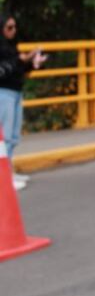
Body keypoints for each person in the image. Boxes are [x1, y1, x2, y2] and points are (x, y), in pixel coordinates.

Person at [0, 13, 46, 191]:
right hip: (3, 93)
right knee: (5, 137)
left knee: (13, 136)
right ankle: (4, 177)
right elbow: (5, 70)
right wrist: (22, 59)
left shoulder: (11, 47)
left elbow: (19, 69)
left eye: (14, 27)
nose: (13, 31)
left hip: (15, 93)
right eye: (9, 28)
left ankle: (8, 171)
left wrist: (34, 63)